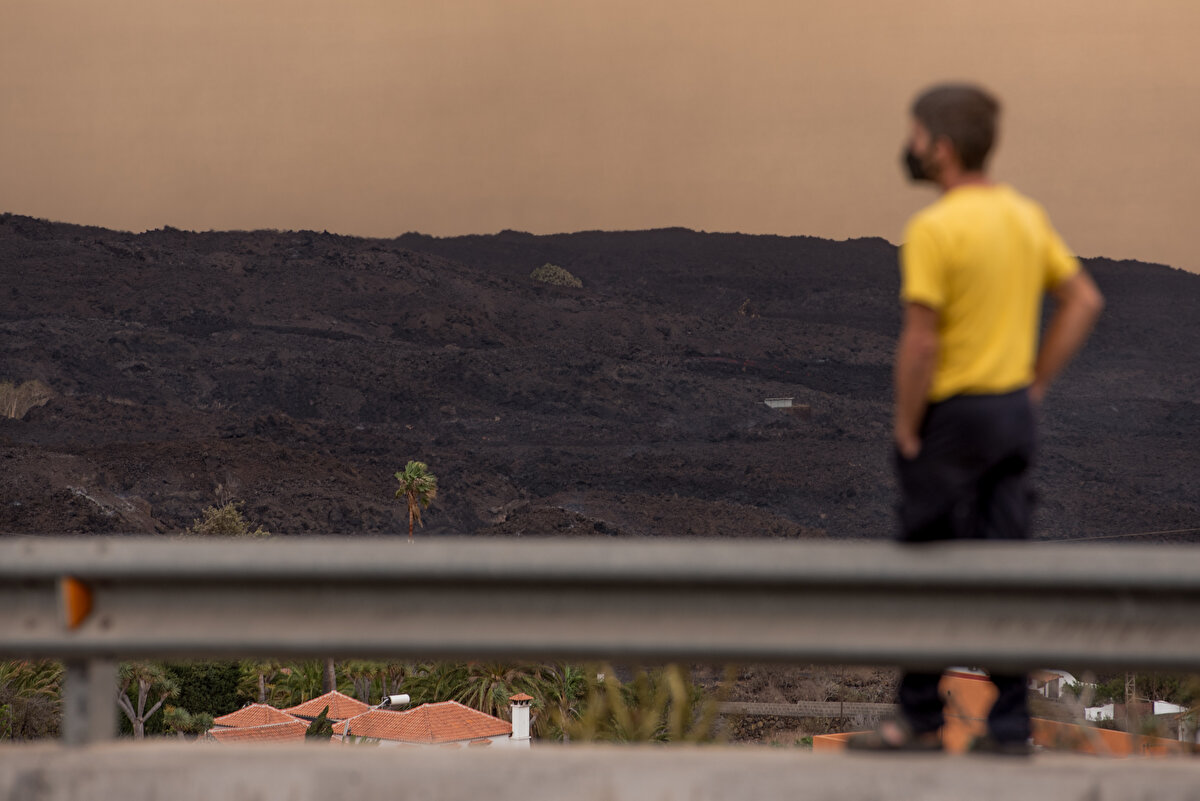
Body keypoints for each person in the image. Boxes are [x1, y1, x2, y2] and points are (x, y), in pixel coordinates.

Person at [849, 84, 1104, 754]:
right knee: (1005, 560)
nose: (908, 147)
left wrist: (907, 426)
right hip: (1013, 415)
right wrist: (1036, 381)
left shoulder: (935, 229)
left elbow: (921, 340)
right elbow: (1082, 299)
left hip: (955, 415)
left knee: (926, 559)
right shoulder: (1025, 216)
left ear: (943, 147)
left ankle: (918, 719)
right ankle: (1011, 723)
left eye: (915, 136)